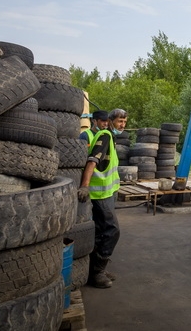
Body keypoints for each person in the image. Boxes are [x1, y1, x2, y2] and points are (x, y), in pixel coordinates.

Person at [77, 109, 121, 289]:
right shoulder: (100, 136)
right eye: (119, 122)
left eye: (124, 122)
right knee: (112, 230)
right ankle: (97, 272)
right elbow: (91, 161)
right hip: (98, 193)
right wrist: (85, 186)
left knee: (101, 230)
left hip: (108, 192)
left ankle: (95, 268)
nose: (122, 125)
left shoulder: (109, 137)